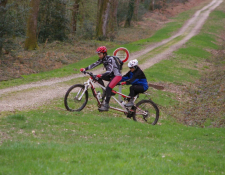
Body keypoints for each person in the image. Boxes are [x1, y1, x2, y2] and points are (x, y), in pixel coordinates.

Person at [80, 46, 122, 111]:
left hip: (116, 76)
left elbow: (110, 70)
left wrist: (102, 75)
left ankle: (106, 106)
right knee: (96, 77)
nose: (99, 56)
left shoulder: (110, 59)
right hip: (110, 75)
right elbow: (94, 64)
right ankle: (105, 92)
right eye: (98, 54)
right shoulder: (102, 59)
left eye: (100, 54)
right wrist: (85, 68)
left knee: (108, 88)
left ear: (104, 54)